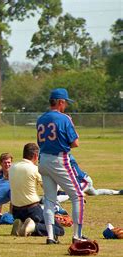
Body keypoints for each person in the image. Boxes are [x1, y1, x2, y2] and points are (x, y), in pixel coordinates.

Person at [37, 88, 85, 244]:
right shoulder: (64, 118)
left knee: (50, 199)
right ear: (60, 102)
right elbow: (75, 143)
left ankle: (50, 236)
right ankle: (77, 236)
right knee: (78, 196)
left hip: (43, 159)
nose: (66, 106)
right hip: (59, 160)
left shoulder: (41, 119)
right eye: (65, 103)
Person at [8, 143, 65, 239]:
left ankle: (21, 225)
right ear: (35, 155)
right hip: (31, 210)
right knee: (58, 229)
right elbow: (50, 189)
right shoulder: (35, 169)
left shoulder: (12, 168)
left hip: (15, 210)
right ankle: (33, 227)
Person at [57, 154, 122, 201]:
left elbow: (77, 177)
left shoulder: (71, 164)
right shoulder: (66, 162)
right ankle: (117, 192)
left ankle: (55, 201)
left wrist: (78, 193)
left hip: (85, 182)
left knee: (72, 194)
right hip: (85, 180)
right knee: (95, 193)